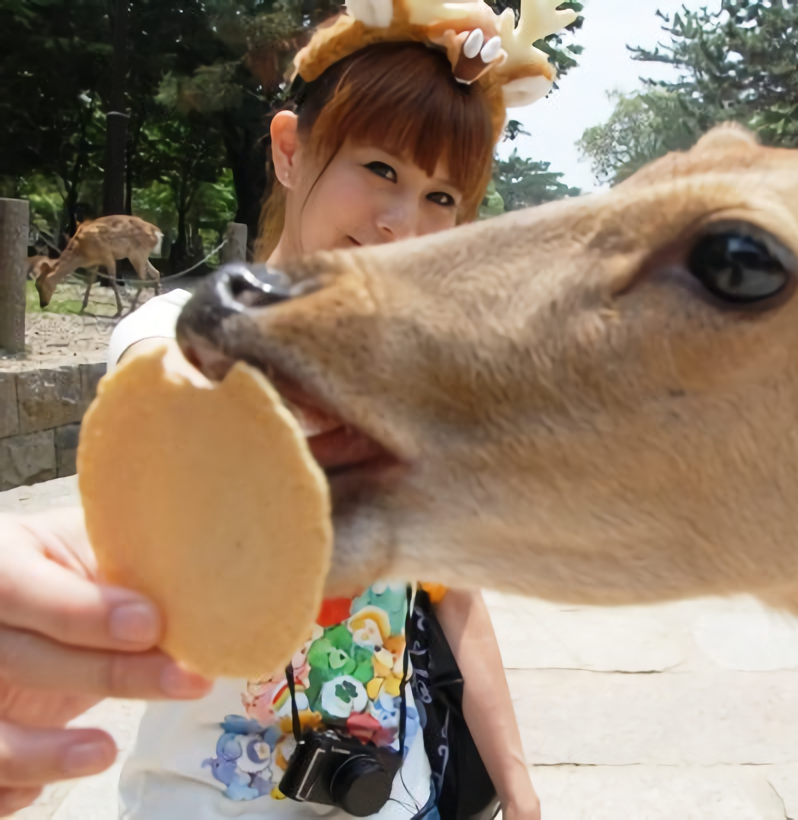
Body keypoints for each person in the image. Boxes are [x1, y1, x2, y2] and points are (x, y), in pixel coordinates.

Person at [0, 1, 576, 817]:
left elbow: (454, 598)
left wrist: (520, 791)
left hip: (393, 793)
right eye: (380, 168)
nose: (400, 221)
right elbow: (184, 437)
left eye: (442, 196)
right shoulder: (173, 335)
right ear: (289, 148)